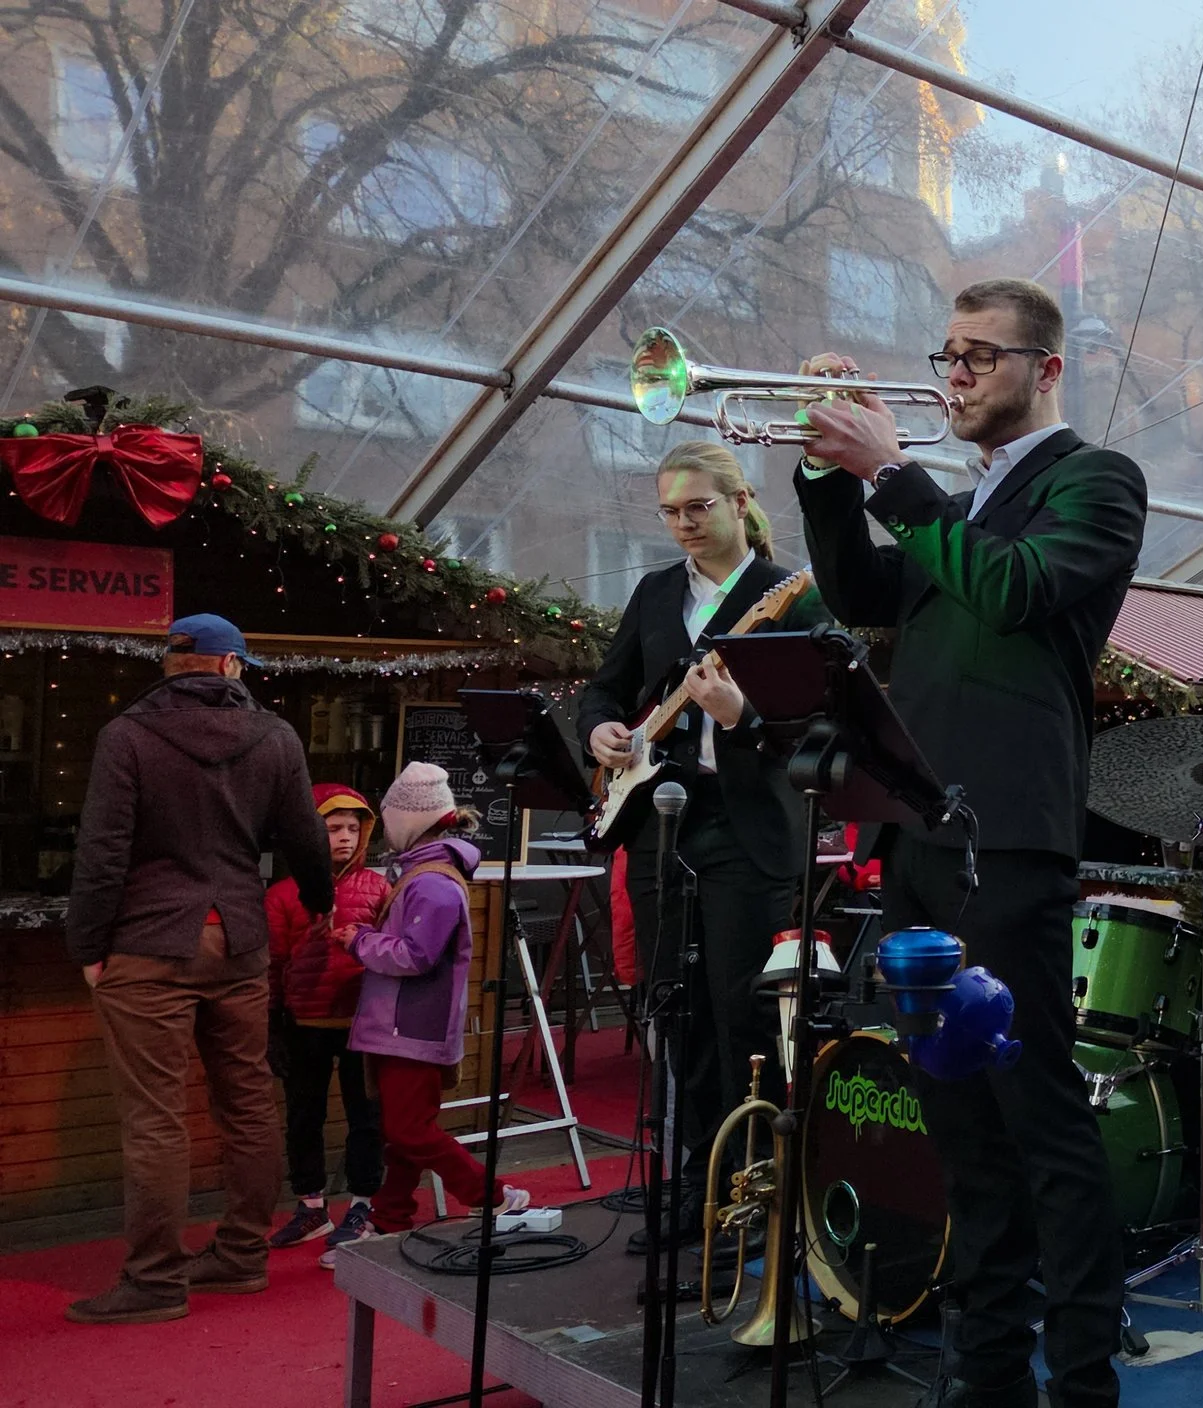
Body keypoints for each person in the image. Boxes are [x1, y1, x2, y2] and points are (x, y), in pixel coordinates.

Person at [796, 276, 1145, 1408]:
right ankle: (986, 1369)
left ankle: (1083, 1378)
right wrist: (824, 478)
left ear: (1045, 369)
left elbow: (1011, 591)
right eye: (945, 354)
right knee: (958, 1118)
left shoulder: (1092, 480)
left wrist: (889, 475)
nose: (952, 376)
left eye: (978, 357)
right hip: (921, 837)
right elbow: (858, 592)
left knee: (1036, 1115)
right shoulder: (953, 504)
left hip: (1011, 837)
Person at [578, 441, 825, 1252]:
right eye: (671, 512)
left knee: (738, 1014)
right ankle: (697, 1179)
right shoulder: (654, 595)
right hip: (659, 823)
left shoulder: (789, 597)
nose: (683, 524)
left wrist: (739, 719)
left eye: (699, 507)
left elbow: (821, 728)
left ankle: (754, 1188)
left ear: (740, 500)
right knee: (676, 1011)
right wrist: (602, 729)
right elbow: (605, 688)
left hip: (745, 825)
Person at [63, 614, 333, 1325]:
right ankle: (241, 1259)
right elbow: (308, 842)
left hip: (149, 945)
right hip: (241, 944)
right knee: (247, 1104)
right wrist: (321, 905)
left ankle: (154, 1281)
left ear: (172, 665)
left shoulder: (128, 736)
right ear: (232, 667)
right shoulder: (275, 736)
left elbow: (102, 853)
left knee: (155, 1121)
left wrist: (88, 948)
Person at [334, 763, 527, 1268]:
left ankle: (496, 1197)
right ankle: (390, 1216)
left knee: (409, 1131)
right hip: (404, 1026)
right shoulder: (426, 874)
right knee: (405, 1129)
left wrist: (359, 940)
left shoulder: (433, 883)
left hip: (411, 1028)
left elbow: (416, 956)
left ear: (410, 821)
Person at [265, 785, 391, 1257]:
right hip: (304, 1022)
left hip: (362, 1020)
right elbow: (274, 963)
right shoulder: (282, 895)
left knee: (366, 1118)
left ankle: (362, 1205)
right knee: (303, 1117)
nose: (343, 837)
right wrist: (272, 1023)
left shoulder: (379, 888)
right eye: (332, 828)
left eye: (352, 829)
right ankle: (311, 1206)